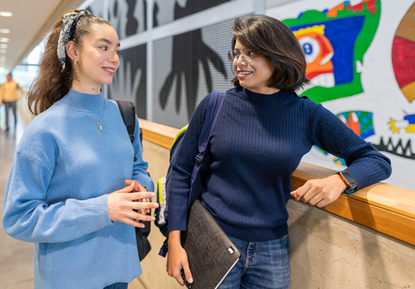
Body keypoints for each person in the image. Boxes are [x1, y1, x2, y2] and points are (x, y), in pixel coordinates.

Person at [165, 16, 392, 289]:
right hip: (213, 238)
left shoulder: (306, 114)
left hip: (272, 249)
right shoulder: (215, 105)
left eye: (250, 53)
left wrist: (341, 180)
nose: (240, 61)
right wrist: (174, 241)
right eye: (236, 53)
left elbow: (376, 160)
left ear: (278, 56)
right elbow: (180, 171)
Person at [2, 9, 157, 289]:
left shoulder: (124, 115)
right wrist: (103, 209)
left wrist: (141, 188)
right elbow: (19, 217)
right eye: (103, 47)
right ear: (73, 50)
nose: (114, 59)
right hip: (69, 276)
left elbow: (138, 167)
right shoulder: (45, 129)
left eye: (117, 50)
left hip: (119, 267)